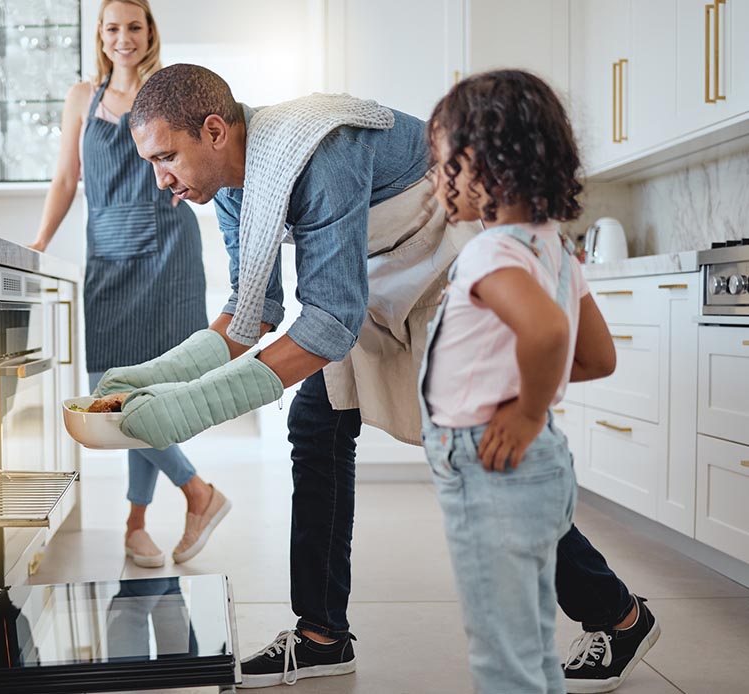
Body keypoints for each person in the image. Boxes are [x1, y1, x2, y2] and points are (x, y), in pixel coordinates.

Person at [90, 63, 660, 691]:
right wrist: (149, 380)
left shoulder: (319, 151)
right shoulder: (227, 188)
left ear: (216, 131)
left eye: (166, 156)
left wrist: (188, 412)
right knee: (317, 426)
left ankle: (618, 614)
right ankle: (321, 636)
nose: (159, 178)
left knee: (489, 456)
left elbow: (330, 323)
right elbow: (253, 313)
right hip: (368, 281)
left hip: (444, 264)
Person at [419, 69, 659, 694]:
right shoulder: (553, 248)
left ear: (479, 164)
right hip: (543, 463)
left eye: (440, 162)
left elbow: (551, 334)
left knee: (504, 656)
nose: (435, 180)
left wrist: (524, 410)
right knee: (531, 647)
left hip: (490, 462)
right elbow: (597, 355)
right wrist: (530, 398)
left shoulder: (490, 251)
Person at [28, 1, 229, 569]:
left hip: (168, 249)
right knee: (109, 390)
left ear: (149, 33)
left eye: (134, 27)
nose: (124, 37)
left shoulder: (165, 94)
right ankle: (197, 492)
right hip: (109, 257)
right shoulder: (81, 99)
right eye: (113, 27)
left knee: (152, 392)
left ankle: (135, 525)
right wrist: (41, 238)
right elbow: (67, 177)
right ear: (100, 34)